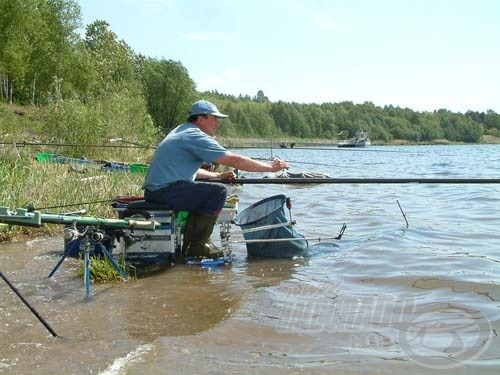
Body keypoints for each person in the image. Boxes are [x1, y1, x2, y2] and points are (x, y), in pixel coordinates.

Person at [142, 99, 289, 259]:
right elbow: (235, 161)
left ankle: (191, 245)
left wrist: (218, 175)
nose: (217, 122)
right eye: (214, 118)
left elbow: (188, 171)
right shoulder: (194, 136)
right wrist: (270, 168)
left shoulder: (182, 131)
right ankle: (198, 246)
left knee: (210, 189)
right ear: (200, 118)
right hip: (164, 191)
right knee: (217, 192)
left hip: (158, 190)